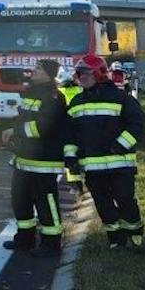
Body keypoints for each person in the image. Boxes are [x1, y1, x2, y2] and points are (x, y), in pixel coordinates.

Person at [63, 52, 145, 250]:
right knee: (103, 205)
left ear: (99, 73)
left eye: (86, 73)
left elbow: (139, 123)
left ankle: (135, 235)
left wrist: (120, 145)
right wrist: (70, 157)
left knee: (125, 200)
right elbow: (70, 134)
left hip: (121, 165)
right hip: (92, 168)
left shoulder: (120, 98)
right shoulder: (76, 103)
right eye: (78, 74)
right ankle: (115, 239)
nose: (81, 77)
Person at [3, 58, 70, 256]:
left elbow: (42, 127)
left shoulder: (54, 97)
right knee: (20, 201)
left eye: (39, 69)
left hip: (44, 161)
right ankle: (25, 240)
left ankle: (51, 245)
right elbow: (22, 117)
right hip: (23, 159)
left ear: (50, 75)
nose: (34, 71)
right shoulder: (31, 93)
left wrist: (15, 131)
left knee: (46, 202)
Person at [56, 65, 85, 195]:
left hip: (66, 131)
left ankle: (75, 185)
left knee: (69, 157)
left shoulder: (58, 93)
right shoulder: (81, 90)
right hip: (82, 128)